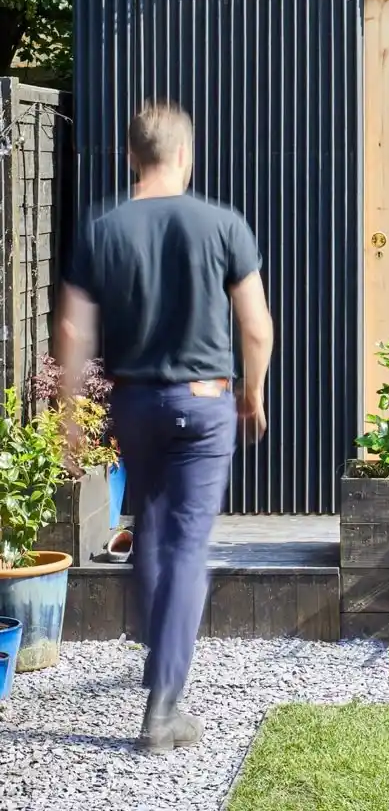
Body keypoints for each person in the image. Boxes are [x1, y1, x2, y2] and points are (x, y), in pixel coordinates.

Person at [54, 102, 274, 752]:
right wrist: (253, 391)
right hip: (205, 406)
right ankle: (163, 707)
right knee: (186, 542)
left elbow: (71, 329)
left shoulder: (102, 227)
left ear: (131, 157)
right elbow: (256, 326)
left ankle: (159, 661)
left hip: (135, 404)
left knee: (147, 526)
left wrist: (70, 413)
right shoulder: (222, 223)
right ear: (186, 156)